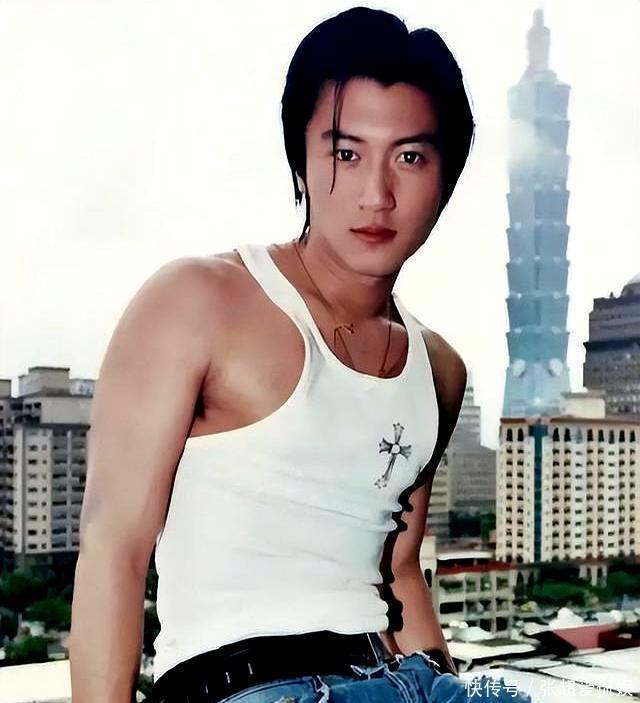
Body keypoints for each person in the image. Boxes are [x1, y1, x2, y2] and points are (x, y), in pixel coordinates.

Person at [69, 6, 531, 703]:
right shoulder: (198, 302)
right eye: (346, 153)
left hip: (401, 678)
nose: (376, 194)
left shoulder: (439, 369)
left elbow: (400, 570)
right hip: (243, 683)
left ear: (446, 177)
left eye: (410, 157)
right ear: (302, 158)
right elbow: (114, 547)